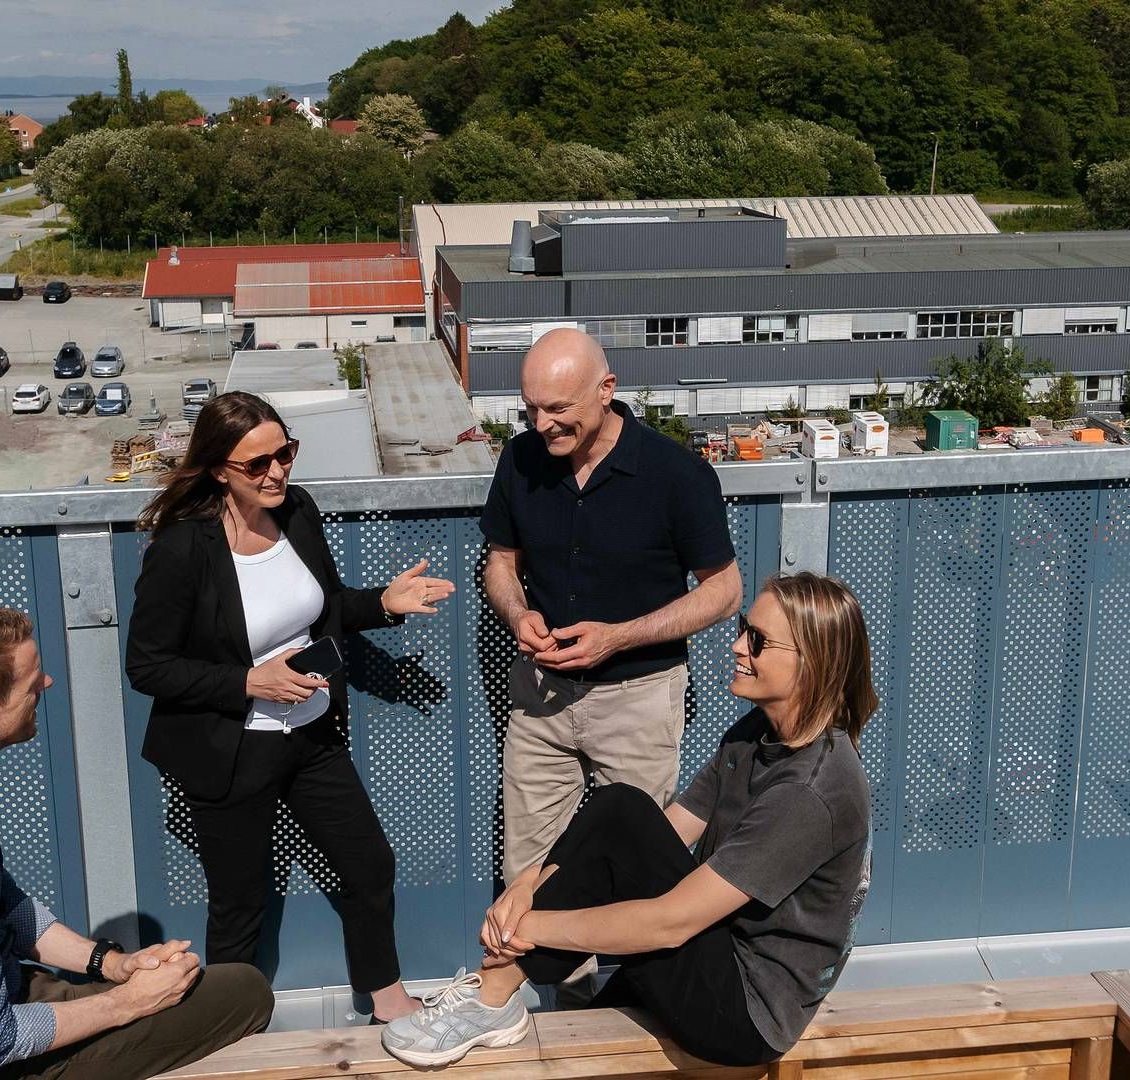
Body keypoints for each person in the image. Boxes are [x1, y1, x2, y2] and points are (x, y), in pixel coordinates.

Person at [381, 573, 876, 1068]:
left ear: (812, 663)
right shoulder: (757, 733)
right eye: (745, 627)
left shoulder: (810, 790)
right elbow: (659, 831)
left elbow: (671, 922)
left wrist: (530, 928)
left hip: (746, 1012)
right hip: (716, 954)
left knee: (621, 817)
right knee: (620, 805)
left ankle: (492, 993)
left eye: (758, 640)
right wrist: (529, 884)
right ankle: (495, 991)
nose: (737, 645)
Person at [126, 391, 456, 1024]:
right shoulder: (184, 550)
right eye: (258, 464)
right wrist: (250, 683)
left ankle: (386, 999)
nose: (277, 472)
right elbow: (148, 667)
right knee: (240, 902)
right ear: (220, 469)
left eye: (285, 454)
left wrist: (384, 603)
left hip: (312, 736)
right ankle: (225, 1028)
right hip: (231, 750)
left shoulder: (297, 511)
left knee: (368, 865)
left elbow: (325, 607)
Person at [0, 603, 273, 1080]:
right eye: (30, 684)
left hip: (0, 993)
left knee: (195, 986)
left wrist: (112, 965)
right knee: (245, 993)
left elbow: (3, 903)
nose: (45, 686)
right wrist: (128, 1004)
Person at [482, 328, 741, 884]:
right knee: (525, 875)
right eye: (530, 409)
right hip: (540, 695)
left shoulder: (677, 474)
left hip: (639, 699)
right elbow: (501, 564)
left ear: (606, 389)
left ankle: (630, 975)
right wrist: (517, 614)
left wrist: (618, 636)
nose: (542, 424)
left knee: (635, 873)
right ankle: (552, 975)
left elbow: (725, 592)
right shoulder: (520, 459)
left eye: (557, 408)